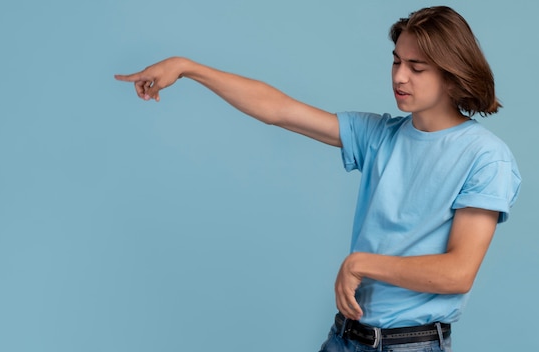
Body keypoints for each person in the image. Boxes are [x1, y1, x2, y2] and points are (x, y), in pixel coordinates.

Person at [115, 6, 521, 352]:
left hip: (411, 343)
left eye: (417, 67)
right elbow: (279, 109)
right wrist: (188, 68)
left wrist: (362, 264)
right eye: (396, 61)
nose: (399, 77)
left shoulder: (485, 156)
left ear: (451, 74)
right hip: (345, 337)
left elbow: (458, 272)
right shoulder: (380, 135)